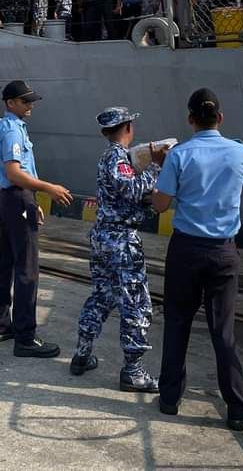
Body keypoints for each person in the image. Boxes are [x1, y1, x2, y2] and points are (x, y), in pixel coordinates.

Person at [150, 88, 243, 431]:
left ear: (190, 120)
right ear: (220, 117)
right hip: (223, 251)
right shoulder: (241, 152)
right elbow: (242, 182)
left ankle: (169, 398)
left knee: (177, 322)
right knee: (223, 330)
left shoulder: (178, 156)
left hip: (185, 250)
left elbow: (160, 205)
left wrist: (162, 167)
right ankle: (239, 409)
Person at [70, 108, 168, 392]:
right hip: (121, 240)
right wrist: (156, 166)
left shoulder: (111, 157)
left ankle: (82, 354)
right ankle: (133, 371)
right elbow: (131, 190)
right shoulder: (117, 157)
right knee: (135, 303)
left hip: (104, 236)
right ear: (127, 128)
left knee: (102, 296)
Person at [0, 80, 73, 358]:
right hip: (17, 197)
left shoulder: (8, 126)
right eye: (25, 101)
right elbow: (14, 173)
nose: (30, 106)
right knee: (27, 268)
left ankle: (1, 325)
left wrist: (32, 200)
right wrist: (48, 188)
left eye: (31, 101)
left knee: (6, 262)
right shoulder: (13, 129)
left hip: (12, 199)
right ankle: (25, 337)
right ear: (11, 103)